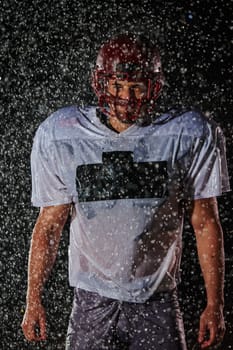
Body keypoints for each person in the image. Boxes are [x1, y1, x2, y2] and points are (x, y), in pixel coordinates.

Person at [21, 33, 230, 350]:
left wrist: (215, 304)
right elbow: (50, 225)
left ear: (153, 87)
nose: (125, 97)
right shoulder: (62, 134)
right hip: (92, 296)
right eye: (116, 86)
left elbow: (204, 223)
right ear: (100, 82)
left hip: (156, 296)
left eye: (136, 88)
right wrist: (33, 299)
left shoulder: (187, 133)